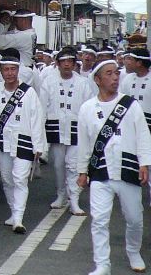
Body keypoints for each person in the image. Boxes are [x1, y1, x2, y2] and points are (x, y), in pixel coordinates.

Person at [77, 59, 151, 275]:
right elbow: (84, 143)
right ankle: (102, 264)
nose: (115, 78)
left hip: (128, 168)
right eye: (109, 74)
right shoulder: (87, 108)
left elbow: (143, 135)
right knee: (99, 219)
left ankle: (133, 251)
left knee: (134, 218)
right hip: (100, 170)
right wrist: (82, 171)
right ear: (98, 80)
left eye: (116, 73)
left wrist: (144, 163)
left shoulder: (130, 105)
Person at [0, 48, 45, 234]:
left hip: (24, 141)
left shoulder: (28, 93)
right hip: (3, 141)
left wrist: (39, 145)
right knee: (7, 180)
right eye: (6, 69)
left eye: (12, 69)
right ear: (1, 71)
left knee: (20, 179)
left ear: (18, 70)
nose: (9, 73)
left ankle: (18, 218)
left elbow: (37, 119)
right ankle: (13, 212)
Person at [41, 46, 95, 214]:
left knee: (73, 165)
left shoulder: (83, 83)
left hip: (76, 128)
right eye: (63, 61)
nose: (66, 65)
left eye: (70, 61)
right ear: (57, 64)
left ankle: (74, 199)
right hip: (56, 128)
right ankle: (61, 194)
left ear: (74, 64)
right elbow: (42, 107)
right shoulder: (48, 81)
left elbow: (89, 108)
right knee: (58, 165)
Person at [119, 47, 151, 203]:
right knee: (129, 158)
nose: (126, 62)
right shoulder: (127, 79)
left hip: (148, 125)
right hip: (129, 125)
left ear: (139, 63)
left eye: (130, 59)